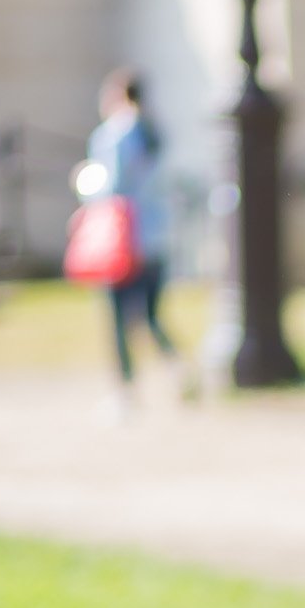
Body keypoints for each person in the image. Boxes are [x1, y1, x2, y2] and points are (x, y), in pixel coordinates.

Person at [86, 69, 177, 390]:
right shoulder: (154, 131)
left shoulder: (114, 134)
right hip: (157, 236)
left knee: (118, 318)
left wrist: (83, 183)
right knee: (151, 316)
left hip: (123, 240)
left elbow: (111, 188)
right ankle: (176, 368)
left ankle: (124, 388)